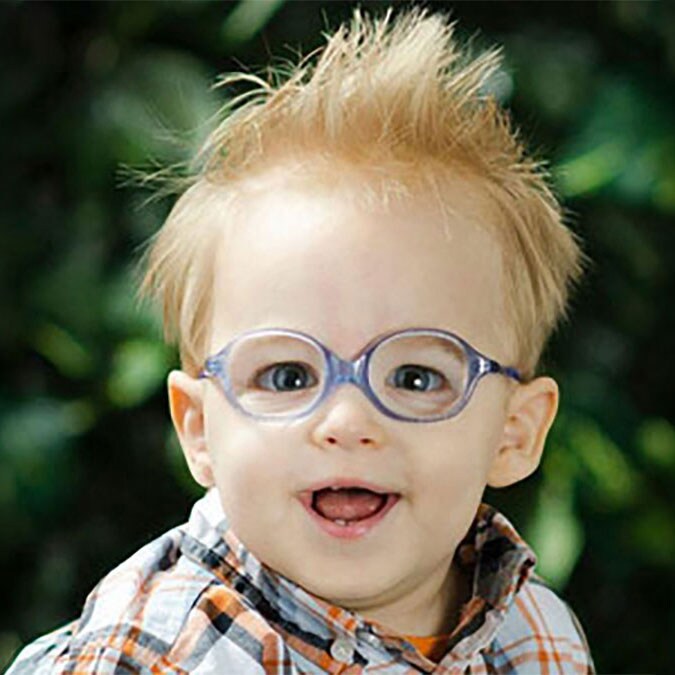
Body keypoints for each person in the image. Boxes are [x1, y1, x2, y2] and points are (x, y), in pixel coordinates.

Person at [7, 6, 595, 674]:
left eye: (415, 377)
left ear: (513, 433)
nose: (346, 421)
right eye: (287, 375)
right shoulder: (151, 656)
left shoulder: (533, 632)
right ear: (198, 427)